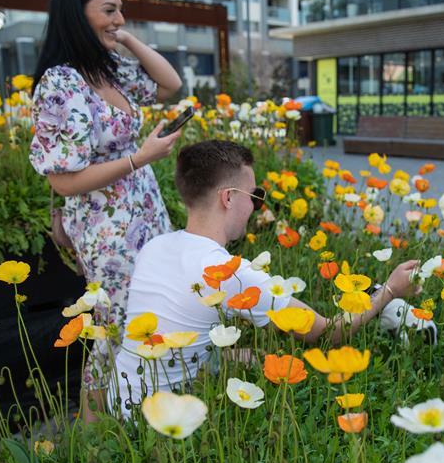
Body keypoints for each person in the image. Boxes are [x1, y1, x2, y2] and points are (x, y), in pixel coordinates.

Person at [112, 140, 421, 413]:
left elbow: (175, 335)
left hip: (119, 407)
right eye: (255, 195)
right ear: (228, 198)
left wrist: (229, 357)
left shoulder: (154, 247)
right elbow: (328, 335)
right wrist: (390, 290)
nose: (257, 207)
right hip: (160, 423)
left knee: (250, 358)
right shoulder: (228, 273)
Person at [29, 0, 183, 420]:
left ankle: (145, 407)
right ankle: (96, 434)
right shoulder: (61, 83)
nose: (118, 18)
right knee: (115, 322)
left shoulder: (106, 68)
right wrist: (141, 157)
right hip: (104, 225)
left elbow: (170, 84)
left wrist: (125, 38)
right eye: (109, 10)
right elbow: (63, 179)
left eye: (121, 10)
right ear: (76, 14)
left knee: (152, 307)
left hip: (145, 210)